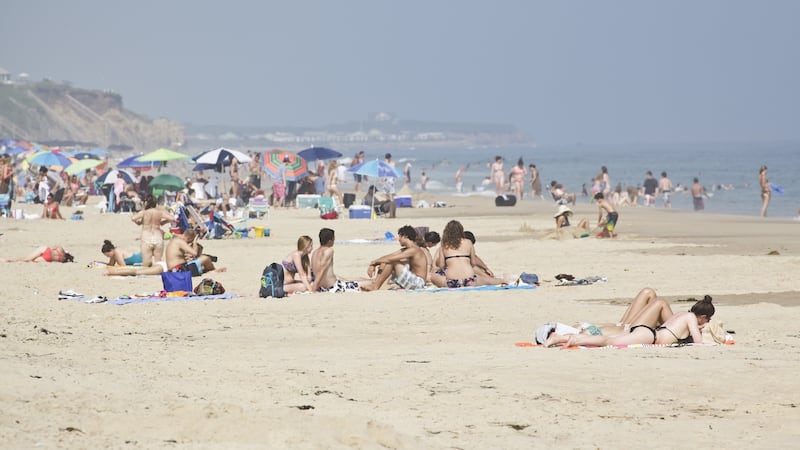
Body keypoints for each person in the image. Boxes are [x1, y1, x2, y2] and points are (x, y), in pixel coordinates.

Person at [547, 296, 715, 348]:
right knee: (609, 341)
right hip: (649, 335)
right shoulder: (691, 318)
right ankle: (570, 339)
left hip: (648, 333)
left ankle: (562, 338)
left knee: (610, 341)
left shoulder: (681, 314)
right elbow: (698, 343)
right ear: (703, 317)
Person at [430, 220, 502, 288]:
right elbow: (473, 263)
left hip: (452, 282)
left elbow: (441, 265)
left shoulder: (444, 245)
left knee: (433, 277)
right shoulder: (468, 242)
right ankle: (504, 280)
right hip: (469, 281)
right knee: (487, 280)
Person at [311, 228, 376, 292]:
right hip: (333, 287)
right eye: (334, 239)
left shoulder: (315, 252)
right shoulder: (329, 251)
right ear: (330, 241)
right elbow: (321, 270)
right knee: (371, 284)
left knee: (360, 278)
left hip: (324, 284)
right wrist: (314, 287)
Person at [365, 225, 428, 290]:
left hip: (418, 283)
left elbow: (390, 259)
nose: (399, 239)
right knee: (385, 262)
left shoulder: (414, 250)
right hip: (412, 280)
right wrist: (373, 264)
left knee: (391, 262)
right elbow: (389, 256)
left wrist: (373, 263)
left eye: (400, 236)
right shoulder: (406, 250)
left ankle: (375, 286)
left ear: (405, 236)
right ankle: (375, 283)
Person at [131, 194, 175, 268]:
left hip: (146, 237)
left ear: (146, 202)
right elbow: (172, 219)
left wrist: (139, 223)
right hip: (158, 237)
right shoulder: (159, 212)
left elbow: (133, 218)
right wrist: (163, 222)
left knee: (146, 263)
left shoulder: (144, 212)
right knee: (158, 262)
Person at [2, 245, 75, 263]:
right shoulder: (62, 259)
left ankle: (8, 260)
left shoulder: (60, 248)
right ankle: (10, 261)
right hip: (48, 259)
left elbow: (51, 247)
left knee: (26, 258)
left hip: (45, 250)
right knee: (29, 260)